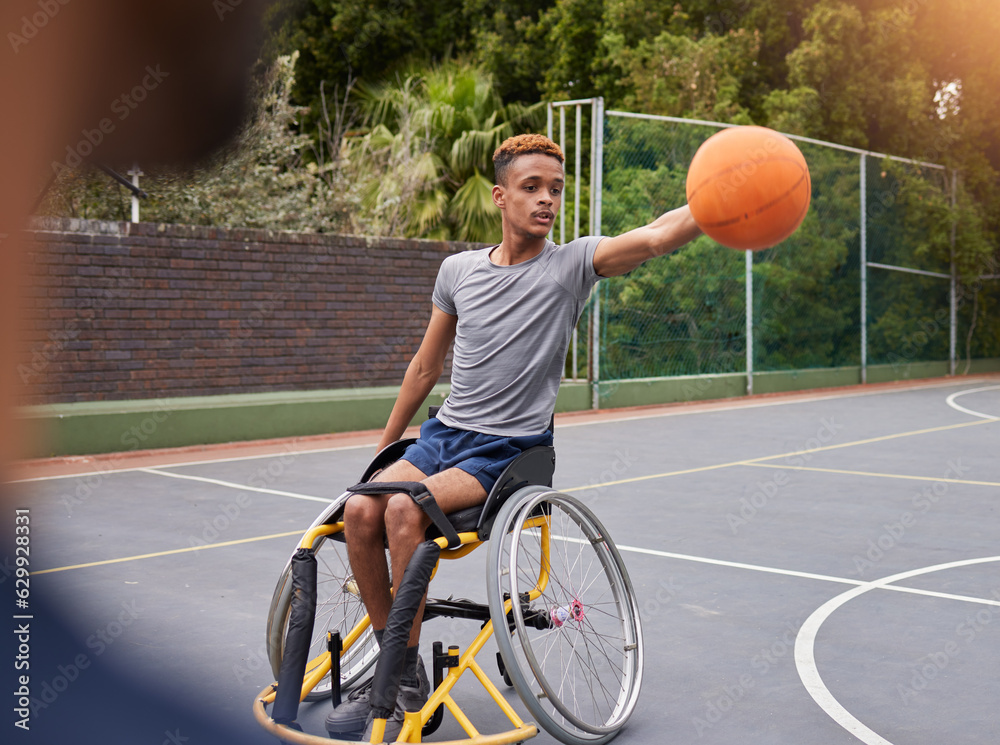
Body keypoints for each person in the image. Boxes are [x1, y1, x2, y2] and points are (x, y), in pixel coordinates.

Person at [327, 133, 702, 741]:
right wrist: (382, 450)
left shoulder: (574, 265)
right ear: (500, 197)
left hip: (509, 453)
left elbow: (657, 235)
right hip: (444, 436)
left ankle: (393, 676)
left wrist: (719, 202)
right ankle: (404, 677)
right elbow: (424, 369)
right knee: (359, 508)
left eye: (555, 189)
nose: (547, 199)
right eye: (532, 188)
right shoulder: (459, 271)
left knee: (401, 510)